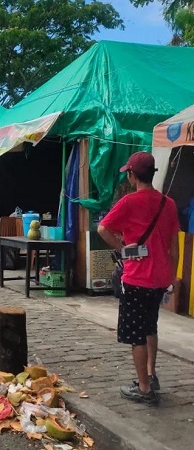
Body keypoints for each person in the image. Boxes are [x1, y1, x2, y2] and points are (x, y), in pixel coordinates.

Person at [98, 151, 180, 406]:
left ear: (132, 175)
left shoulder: (129, 202)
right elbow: (173, 247)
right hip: (159, 279)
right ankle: (152, 375)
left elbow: (102, 228)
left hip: (136, 279)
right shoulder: (169, 203)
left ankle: (144, 388)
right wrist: (172, 276)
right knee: (150, 326)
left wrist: (124, 249)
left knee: (135, 334)